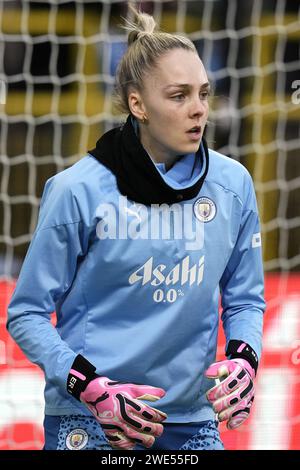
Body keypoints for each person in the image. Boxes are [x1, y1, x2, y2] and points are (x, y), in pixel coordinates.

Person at [6, 4, 265, 451]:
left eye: (204, 94)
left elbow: (245, 299)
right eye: (179, 96)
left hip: (192, 422)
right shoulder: (76, 190)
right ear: (138, 104)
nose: (199, 110)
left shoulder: (233, 185)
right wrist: (90, 388)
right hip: (90, 424)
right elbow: (26, 314)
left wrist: (245, 358)